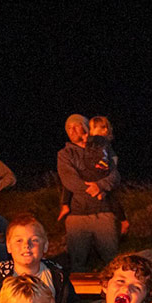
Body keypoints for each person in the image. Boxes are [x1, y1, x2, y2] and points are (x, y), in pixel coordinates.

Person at [0, 214, 78, 303]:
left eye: (34, 240)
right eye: (19, 240)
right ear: (8, 246)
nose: (26, 245)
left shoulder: (58, 275)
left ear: (45, 246)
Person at [57, 114, 121, 271]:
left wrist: (101, 186)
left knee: (112, 261)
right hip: (78, 216)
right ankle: (78, 295)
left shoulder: (102, 147)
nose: (72, 130)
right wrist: (94, 190)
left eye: (76, 125)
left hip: (104, 213)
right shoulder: (65, 154)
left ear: (85, 127)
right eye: (69, 128)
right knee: (77, 263)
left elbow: (115, 175)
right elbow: (70, 180)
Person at [57, 116, 130, 235]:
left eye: (94, 128)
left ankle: (123, 221)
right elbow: (70, 179)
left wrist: (99, 186)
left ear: (105, 130)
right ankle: (65, 204)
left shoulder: (101, 142)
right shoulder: (68, 152)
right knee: (70, 180)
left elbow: (111, 166)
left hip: (101, 169)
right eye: (91, 128)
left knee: (111, 197)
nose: (91, 131)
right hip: (93, 172)